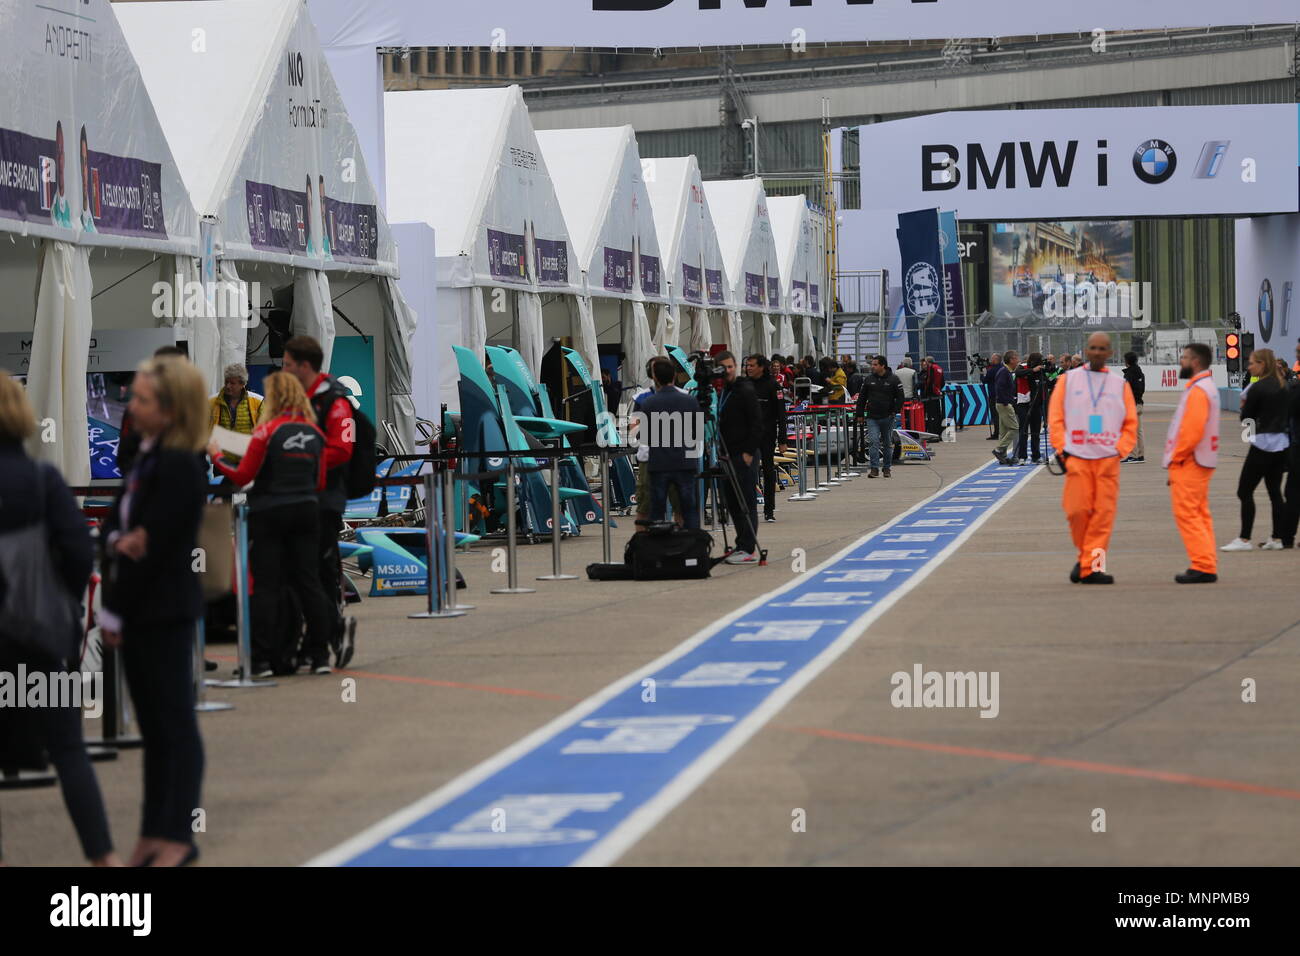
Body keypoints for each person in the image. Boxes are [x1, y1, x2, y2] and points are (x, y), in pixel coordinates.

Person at [0, 373, 120, 867]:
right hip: (43, 638)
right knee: (69, 749)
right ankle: (102, 858)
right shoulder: (45, 482)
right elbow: (77, 558)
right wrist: (58, 606)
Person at [98, 355, 209, 866]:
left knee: (174, 727)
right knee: (154, 732)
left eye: (141, 400)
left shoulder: (181, 463)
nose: (130, 407)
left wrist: (118, 600)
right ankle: (152, 831)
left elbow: (157, 543)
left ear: (168, 409)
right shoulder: (145, 456)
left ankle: (179, 837)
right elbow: (115, 533)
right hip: (135, 609)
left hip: (161, 610)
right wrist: (121, 542)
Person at [209, 372, 334, 676]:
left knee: (266, 586)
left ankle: (262, 660)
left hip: (270, 513)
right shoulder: (315, 434)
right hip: (306, 511)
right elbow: (320, 480)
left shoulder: (266, 433)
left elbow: (241, 477)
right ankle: (319, 656)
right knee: (309, 583)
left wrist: (216, 455)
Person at [281, 336, 356, 670]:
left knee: (318, 572)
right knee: (298, 573)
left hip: (323, 500)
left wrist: (299, 459)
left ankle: (325, 638)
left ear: (304, 366)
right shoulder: (292, 401)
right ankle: (311, 640)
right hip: (294, 497)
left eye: (287, 366)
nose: (283, 372)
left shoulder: (334, 401)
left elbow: (342, 449)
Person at [1047, 332, 1138, 584]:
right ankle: (1085, 557)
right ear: (1086, 351)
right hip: (1077, 457)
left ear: (1110, 353)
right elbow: (1055, 418)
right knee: (1076, 512)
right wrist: (1062, 449)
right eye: (1093, 348)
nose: (1097, 352)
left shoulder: (1120, 385)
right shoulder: (1069, 380)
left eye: (1103, 348)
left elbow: (1130, 423)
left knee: (1102, 517)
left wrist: (1121, 450)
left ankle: (1093, 567)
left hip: (1108, 459)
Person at [1221, 348, 1290, 552]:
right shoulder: (1284, 385)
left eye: (1252, 363)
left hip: (1262, 443)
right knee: (1275, 492)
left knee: (1244, 491)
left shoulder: (1257, 388)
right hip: (1281, 443)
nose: (1249, 366)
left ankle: (1244, 539)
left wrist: (1247, 425)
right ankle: (1277, 537)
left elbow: (1246, 417)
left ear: (1262, 364)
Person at [1164, 343, 1221, 583]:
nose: (1181, 361)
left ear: (1195, 361)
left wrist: (1176, 458)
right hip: (1199, 460)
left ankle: (1203, 565)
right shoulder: (1205, 387)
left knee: (1188, 514)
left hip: (1189, 461)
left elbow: (1191, 431)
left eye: (1184, 357)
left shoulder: (1199, 390)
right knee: (1199, 514)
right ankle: (1205, 561)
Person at [638, 358, 702, 528]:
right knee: (688, 508)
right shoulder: (690, 399)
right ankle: (691, 545)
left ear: (655, 378)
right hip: (685, 462)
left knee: (657, 510)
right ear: (674, 375)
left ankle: (659, 548)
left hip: (659, 463)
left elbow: (643, 436)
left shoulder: (648, 403)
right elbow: (698, 432)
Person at [715, 351, 762, 565]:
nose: (727, 371)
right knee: (732, 502)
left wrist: (749, 453)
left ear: (735, 367)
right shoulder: (725, 390)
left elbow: (756, 422)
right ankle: (741, 543)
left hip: (743, 454)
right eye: (723, 367)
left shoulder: (745, 389)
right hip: (727, 453)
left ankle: (748, 547)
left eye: (730, 366)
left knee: (745, 501)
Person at [745, 354, 788, 522]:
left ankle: (769, 510)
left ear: (761, 367)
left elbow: (781, 414)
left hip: (767, 435)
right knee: (748, 472)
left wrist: (782, 439)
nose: (748, 368)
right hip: (748, 436)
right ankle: (748, 509)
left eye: (751, 365)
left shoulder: (773, 386)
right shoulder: (745, 385)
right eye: (747, 365)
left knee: (768, 472)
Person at [854, 355, 905, 479]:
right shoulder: (868, 379)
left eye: (875, 364)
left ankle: (886, 468)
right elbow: (862, 398)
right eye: (872, 364)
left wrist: (894, 411)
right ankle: (874, 468)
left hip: (888, 417)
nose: (873, 366)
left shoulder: (894, 379)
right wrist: (859, 414)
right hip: (872, 417)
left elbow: (901, 397)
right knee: (873, 442)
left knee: (887, 443)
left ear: (883, 365)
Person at [208, 364, 263, 438]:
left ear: (242, 384)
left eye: (232, 383)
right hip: (219, 448)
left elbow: (265, 427)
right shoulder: (211, 401)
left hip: (247, 448)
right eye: (226, 382)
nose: (228, 386)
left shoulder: (258, 401)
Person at [1014, 352, 1047, 464]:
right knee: (1023, 431)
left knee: (1035, 432)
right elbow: (1017, 373)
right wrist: (1033, 370)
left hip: (1036, 405)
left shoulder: (1041, 371)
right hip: (1023, 404)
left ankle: (1036, 456)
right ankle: (1022, 456)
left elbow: (1047, 382)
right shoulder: (1022, 367)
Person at [991, 350, 1019, 466]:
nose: (1018, 360)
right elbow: (1000, 387)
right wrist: (1006, 402)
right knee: (1014, 428)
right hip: (1004, 404)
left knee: (1003, 431)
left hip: (1001, 403)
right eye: (1016, 358)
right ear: (1011, 360)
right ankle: (999, 449)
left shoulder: (1006, 371)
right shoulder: (1004, 372)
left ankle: (1002, 455)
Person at [1121, 352, 1146, 463]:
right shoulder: (1140, 373)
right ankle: (1140, 455)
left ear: (1127, 361)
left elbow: (1125, 390)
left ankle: (1133, 455)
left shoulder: (1129, 374)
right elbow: (1141, 389)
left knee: (1130, 430)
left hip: (1131, 404)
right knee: (1139, 431)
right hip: (1139, 403)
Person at [919, 355, 945, 434]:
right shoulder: (938, 368)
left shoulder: (932, 368)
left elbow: (929, 381)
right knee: (937, 414)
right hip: (936, 394)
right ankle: (938, 431)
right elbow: (942, 382)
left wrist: (927, 392)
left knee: (931, 416)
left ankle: (932, 432)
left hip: (930, 396)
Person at [981, 353, 1003, 440]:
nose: (990, 360)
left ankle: (996, 433)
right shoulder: (1002, 368)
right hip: (1001, 394)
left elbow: (984, 380)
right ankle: (1002, 432)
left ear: (995, 360)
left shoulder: (992, 370)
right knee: (1001, 414)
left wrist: (982, 372)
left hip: (994, 395)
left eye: (992, 359)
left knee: (995, 414)